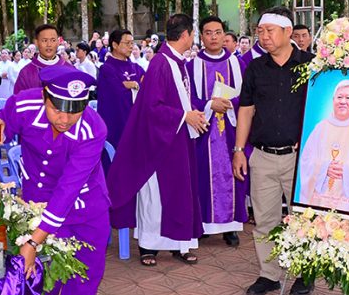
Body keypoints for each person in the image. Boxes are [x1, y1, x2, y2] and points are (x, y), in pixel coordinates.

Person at [0, 67, 110, 295]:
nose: (64, 119)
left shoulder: (93, 128)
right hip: (38, 200)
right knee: (46, 267)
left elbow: (68, 189)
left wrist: (33, 241)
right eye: (57, 109)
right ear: (44, 97)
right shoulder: (22, 106)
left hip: (86, 202)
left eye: (74, 112)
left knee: (88, 266)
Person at [108, 14, 204, 266]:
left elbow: (181, 98)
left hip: (178, 138)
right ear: (186, 35)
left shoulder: (178, 62)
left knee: (181, 192)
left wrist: (193, 113)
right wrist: (184, 116)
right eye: (193, 34)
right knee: (155, 196)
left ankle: (181, 244)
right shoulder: (161, 63)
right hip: (159, 142)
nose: (193, 38)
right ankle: (148, 246)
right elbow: (152, 107)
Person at [233, 7, 315, 295]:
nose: (264, 37)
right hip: (263, 156)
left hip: (300, 159)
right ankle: (269, 275)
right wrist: (239, 150)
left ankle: (305, 273)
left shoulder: (312, 65)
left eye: (270, 31)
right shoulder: (256, 68)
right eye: (260, 31)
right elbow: (246, 110)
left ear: (288, 32)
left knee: (303, 220)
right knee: (265, 220)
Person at [190, 16, 247, 246]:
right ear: (201, 37)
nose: (213, 37)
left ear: (225, 35)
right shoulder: (191, 66)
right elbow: (187, 97)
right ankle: (203, 224)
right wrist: (209, 105)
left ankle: (231, 227)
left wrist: (231, 103)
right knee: (203, 175)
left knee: (233, 172)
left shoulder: (237, 64)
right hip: (203, 132)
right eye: (208, 33)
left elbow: (249, 96)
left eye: (218, 32)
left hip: (232, 131)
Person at [297, 79, 349, 213]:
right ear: (333, 100)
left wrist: (346, 171)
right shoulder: (320, 128)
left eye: (348, 98)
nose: (343, 101)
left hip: (346, 204)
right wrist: (324, 168)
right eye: (339, 97)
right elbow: (305, 161)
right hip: (318, 200)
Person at [95, 29, 144, 150]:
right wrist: (133, 86)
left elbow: (147, 86)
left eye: (132, 43)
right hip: (117, 124)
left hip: (137, 124)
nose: (131, 46)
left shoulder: (136, 67)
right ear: (115, 45)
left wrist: (132, 85)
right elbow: (116, 94)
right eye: (127, 43)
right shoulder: (107, 69)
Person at [13, 24, 69, 94]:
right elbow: (18, 98)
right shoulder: (26, 73)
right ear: (36, 42)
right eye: (44, 40)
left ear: (58, 42)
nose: (49, 45)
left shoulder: (69, 70)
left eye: (53, 40)